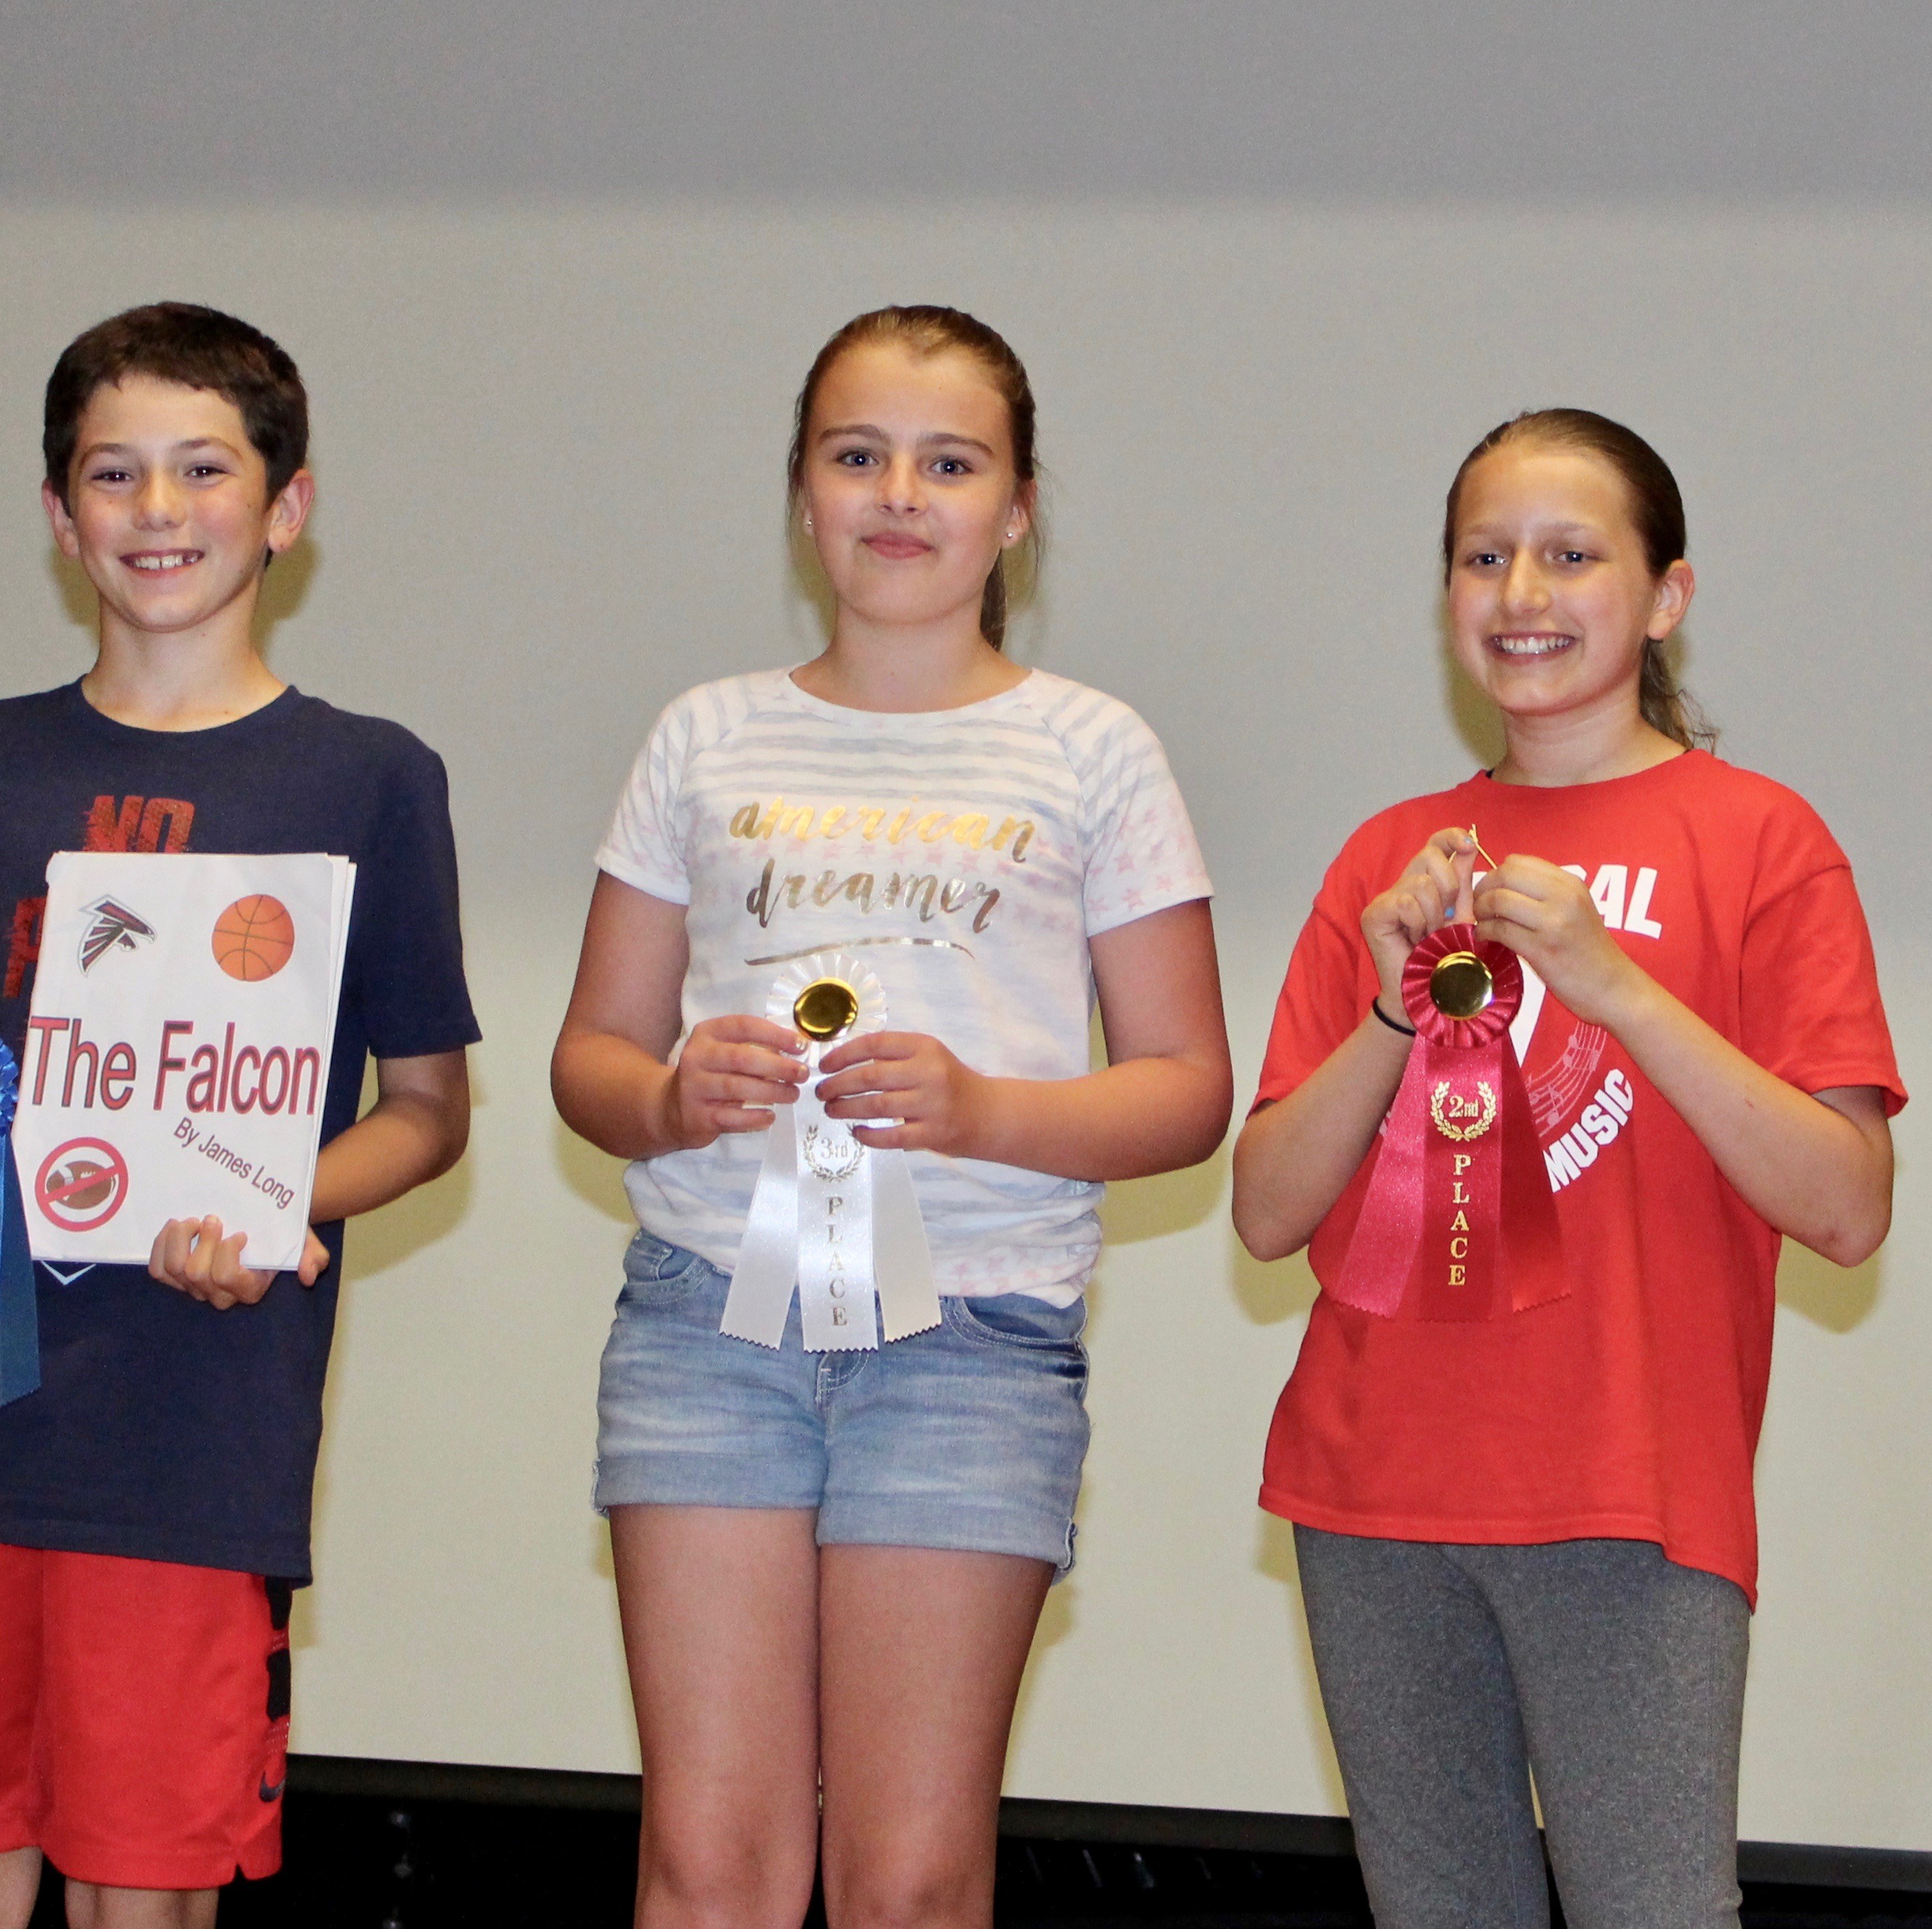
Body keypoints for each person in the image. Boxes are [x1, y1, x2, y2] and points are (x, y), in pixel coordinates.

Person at [0, 303, 478, 1929]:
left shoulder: (369, 775)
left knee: (144, 1884)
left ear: (285, 506)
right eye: (114, 474)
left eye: (201, 470)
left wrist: (277, 1203)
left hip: (192, 1419)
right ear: (58, 514)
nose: (157, 513)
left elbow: (430, 1108)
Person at [552, 305, 1231, 1929]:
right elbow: (588, 1055)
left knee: (912, 1878)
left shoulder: (1093, 750)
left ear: (1016, 505)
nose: (899, 495)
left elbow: (1189, 1089)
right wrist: (663, 1093)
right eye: (856, 457)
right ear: (801, 494)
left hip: (971, 1341)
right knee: (706, 1866)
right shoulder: (701, 735)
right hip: (706, 1325)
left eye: (948, 461)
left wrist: (985, 1108)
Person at [1232, 409, 1905, 1928]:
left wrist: (1616, 987)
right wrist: (1394, 1013)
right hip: (1374, 1486)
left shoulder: (1760, 840)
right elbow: (1267, 1210)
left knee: (1652, 1911)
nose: (1519, 591)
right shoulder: (1388, 857)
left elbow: (1846, 1203)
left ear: (1664, 594)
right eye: (1482, 557)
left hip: (1625, 1488)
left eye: (1568, 553)